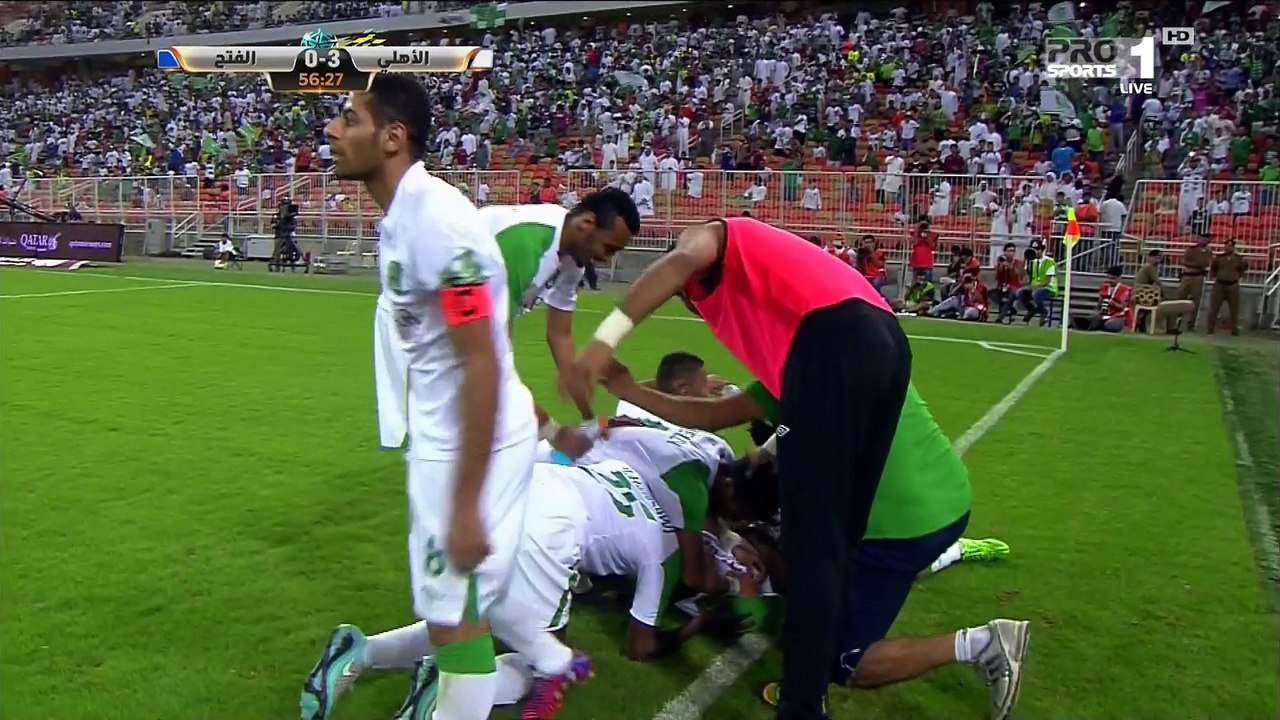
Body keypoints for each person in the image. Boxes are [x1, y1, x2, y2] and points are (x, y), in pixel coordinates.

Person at [304, 75, 588, 720]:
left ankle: (413, 677)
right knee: (460, 614)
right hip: (458, 435)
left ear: (392, 137)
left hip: (465, 445)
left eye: (349, 119)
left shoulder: (438, 224)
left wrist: (463, 505)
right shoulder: (404, 217)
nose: (333, 130)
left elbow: (481, 360)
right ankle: (370, 656)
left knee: (457, 624)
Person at [560, 216, 922, 720]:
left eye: (682, 293)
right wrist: (629, 390)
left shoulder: (717, 238)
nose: (688, 302)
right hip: (887, 348)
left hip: (838, 344)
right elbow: (713, 416)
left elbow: (684, 257)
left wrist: (603, 340)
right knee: (839, 536)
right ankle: (816, 673)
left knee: (814, 544)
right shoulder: (776, 315)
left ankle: (802, 705)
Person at [599, 356, 1029, 720]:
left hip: (894, 524)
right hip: (917, 504)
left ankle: (980, 640)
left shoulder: (714, 494)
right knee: (854, 574)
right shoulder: (821, 367)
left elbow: (716, 423)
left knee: (846, 655)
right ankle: (949, 555)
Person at [299, 456, 685, 719]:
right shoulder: (664, 546)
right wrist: (693, 628)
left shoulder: (620, 468)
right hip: (554, 526)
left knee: (469, 611)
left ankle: (362, 650)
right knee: (545, 660)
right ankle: (444, 686)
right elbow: (639, 646)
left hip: (505, 494)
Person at [478, 191, 640, 450]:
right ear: (586, 223)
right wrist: (553, 431)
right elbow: (493, 354)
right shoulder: (524, 244)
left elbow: (560, 335)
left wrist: (589, 421)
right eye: (608, 248)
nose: (606, 258)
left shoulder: (572, 258)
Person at [1207, 239, 1247, 335]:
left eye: (1230, 246)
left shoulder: (1239, 259)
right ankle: (1210, 329)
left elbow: (1242, 270)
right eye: (1226, 246)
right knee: (1214, 308)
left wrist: (1235, 277)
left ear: (1233, 247)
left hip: (1232, 285)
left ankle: (1234, 329)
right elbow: (1213, 269)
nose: (1228, 248)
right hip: (1219, 285)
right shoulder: (1219, 258)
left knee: (1234, 309)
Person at [1178, 236, 1211, 329]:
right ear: (1198, 239)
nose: (1204, 241)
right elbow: (1183, 261)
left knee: (1196, 301)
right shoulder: (1191, 249)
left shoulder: (1207, 252)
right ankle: (1177, 318)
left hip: (1198, 277)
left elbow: (1206, 264)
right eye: (1202, 239)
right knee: (1180, 297)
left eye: (1206, 240)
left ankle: (1191, 323)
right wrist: (1195, 265)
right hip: (1187, 276)